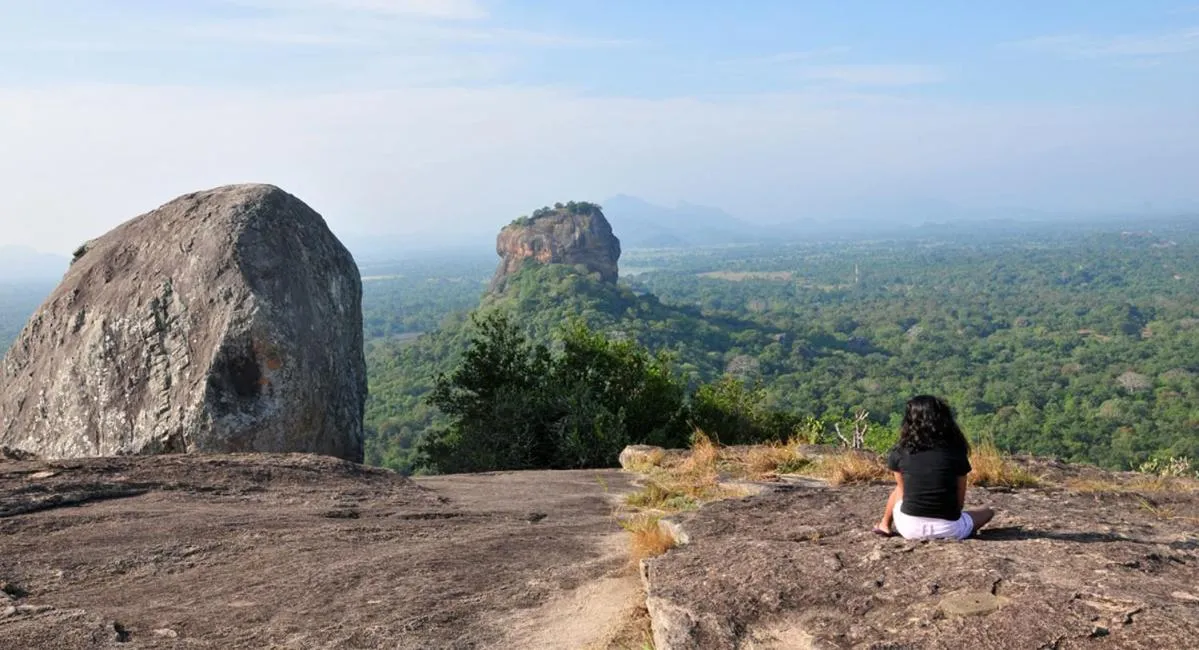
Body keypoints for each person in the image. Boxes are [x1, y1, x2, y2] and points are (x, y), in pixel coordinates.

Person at [873, 395, 994, 540]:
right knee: (988, 512)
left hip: (909, 529)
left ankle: (884, 525)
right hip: (950, 529)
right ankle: (965, 527)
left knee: (899, 489)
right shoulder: (955, 451)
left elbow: (903, 491)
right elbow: (959, 503)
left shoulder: (900, 452)